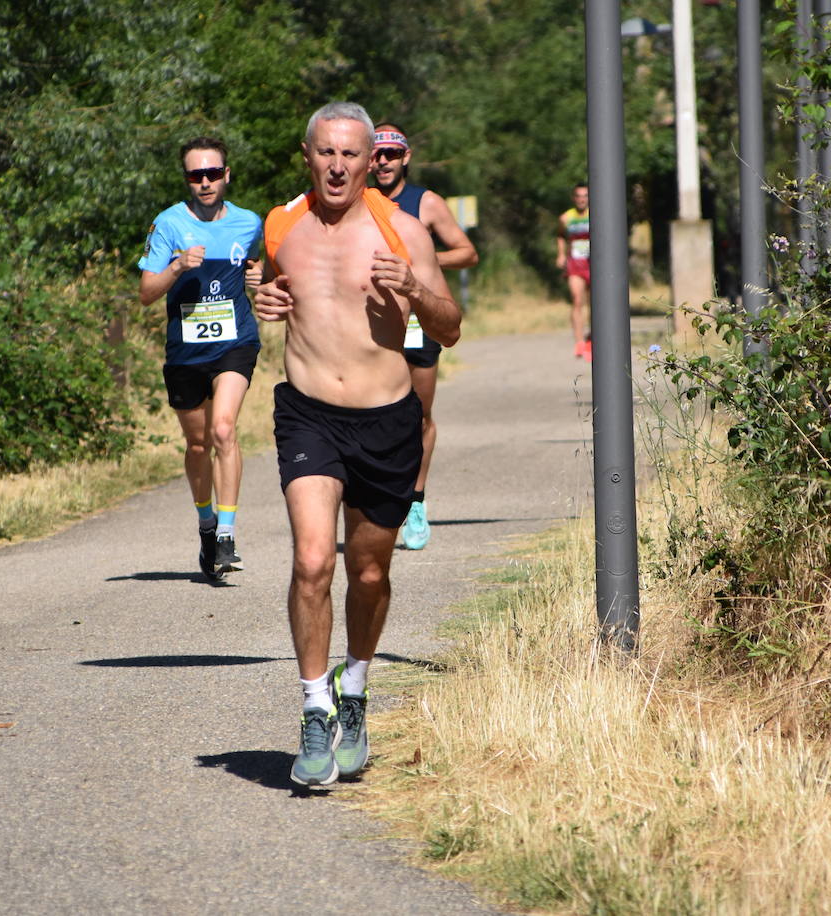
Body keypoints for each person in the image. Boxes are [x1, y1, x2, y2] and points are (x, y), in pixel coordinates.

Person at [255, 102, 460, 787]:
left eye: (351, 155)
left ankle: (356, 689)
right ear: (307, 156)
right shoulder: (281, 225)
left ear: (372, 161)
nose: (337, 166)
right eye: (326, 153)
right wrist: (266, 301)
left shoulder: (401, 230)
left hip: (386, 420)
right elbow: (274, 287)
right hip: (309, 413)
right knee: (313, 560)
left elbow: (451, 326)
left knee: (368, 573)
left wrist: (415, 292)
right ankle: (315, 708)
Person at [138, 137, 263, 582]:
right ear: (187, 180)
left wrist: (263, 276)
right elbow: (146, 293)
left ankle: (227, 534)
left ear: (227, 175)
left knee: (224, 429)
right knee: (198, 445)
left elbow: (264, 274)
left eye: (213, 173)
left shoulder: (250, 223)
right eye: (197, 175)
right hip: (186, 350)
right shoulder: (169, 224)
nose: (206, 182)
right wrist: (175, 268)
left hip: (235, 342)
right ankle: (207, 523)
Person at [369, 122, 478, 551]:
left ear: (406, 158)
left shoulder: (426, 202)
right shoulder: (358, 203)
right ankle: (378, 498)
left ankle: (415, 500)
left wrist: (421, 265)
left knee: (418, 414)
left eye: (391, 154)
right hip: (374, 318)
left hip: (418, 316)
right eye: (376, 154)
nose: (383, 162)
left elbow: (468, 252)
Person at [555, 182, 592, 361]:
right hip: (576, 263)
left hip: (594, 263)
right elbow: (560, 235)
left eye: (585, 196)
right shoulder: (565, 218)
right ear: (573, 198)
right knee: (577, 299)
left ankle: (593, 338)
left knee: (595, 303)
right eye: (578, 196)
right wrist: (561, 254)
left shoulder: (596, 214)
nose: (582, 199)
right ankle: (579, 342)